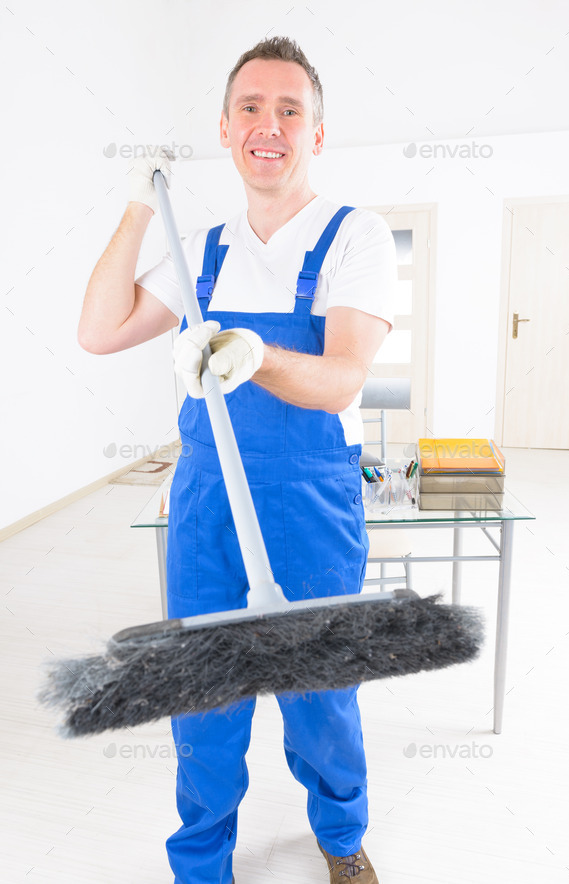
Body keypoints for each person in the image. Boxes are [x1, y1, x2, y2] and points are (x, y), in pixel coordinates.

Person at [79, 36, 397, 884]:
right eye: (251, 108)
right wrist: (137, 209)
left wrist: (257, 354)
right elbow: (99, 330)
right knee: (204, 699)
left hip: (311, 503)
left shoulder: (353, 237)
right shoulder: (204, 250)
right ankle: (202, 866)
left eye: (291, 110)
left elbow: (341, 380)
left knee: (321, 694)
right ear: (226, 129)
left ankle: (339, 839)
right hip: (207, 507)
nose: (270, 125)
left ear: (317, 134)